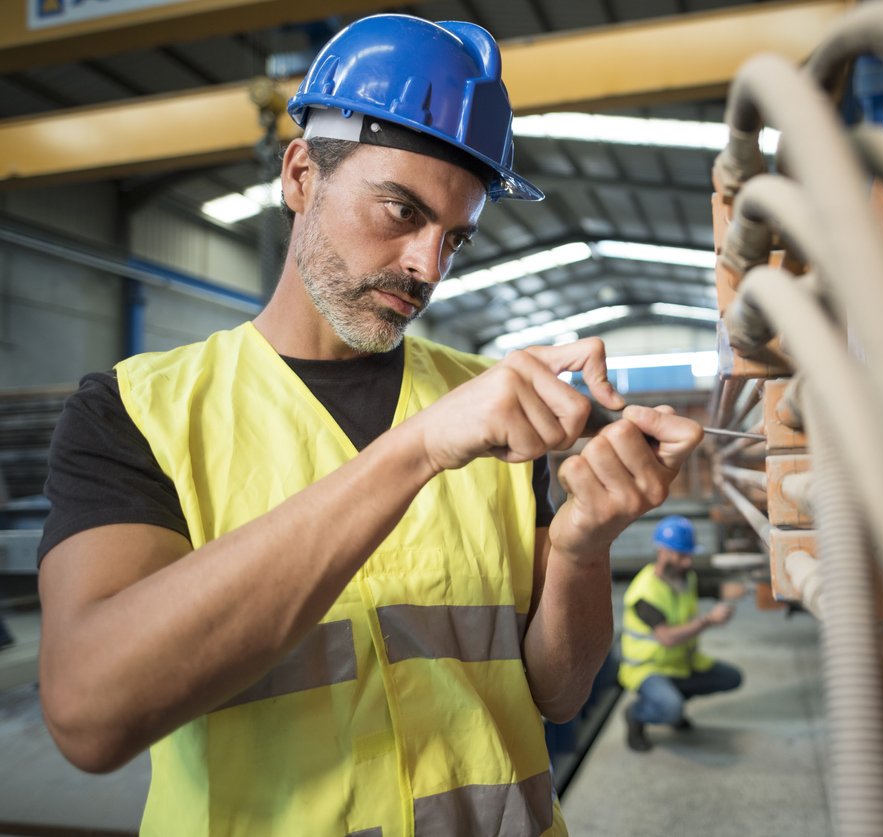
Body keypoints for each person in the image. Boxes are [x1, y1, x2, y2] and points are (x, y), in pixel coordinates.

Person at [35, 15, 702, 837]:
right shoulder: (140, 410)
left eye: (454, 236)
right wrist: (416, 449)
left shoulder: (496, 407)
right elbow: (89, 712)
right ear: (301, 175)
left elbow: (558, 693)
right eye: (400, 210)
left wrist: (583, 543)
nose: (429, 265)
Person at [618, 515, 743, 752]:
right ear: (662, 552)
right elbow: (666, 637)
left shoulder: (686, 578)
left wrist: (744, 587)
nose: (687, 562)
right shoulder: (644, 593)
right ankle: (636, 715)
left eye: (689, 555)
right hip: (648, 669)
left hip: (682, 663)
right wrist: (708, 620)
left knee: (732, 678)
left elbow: (715, 589)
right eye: (681, 555)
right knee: (669, 707)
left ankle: (673, 702)